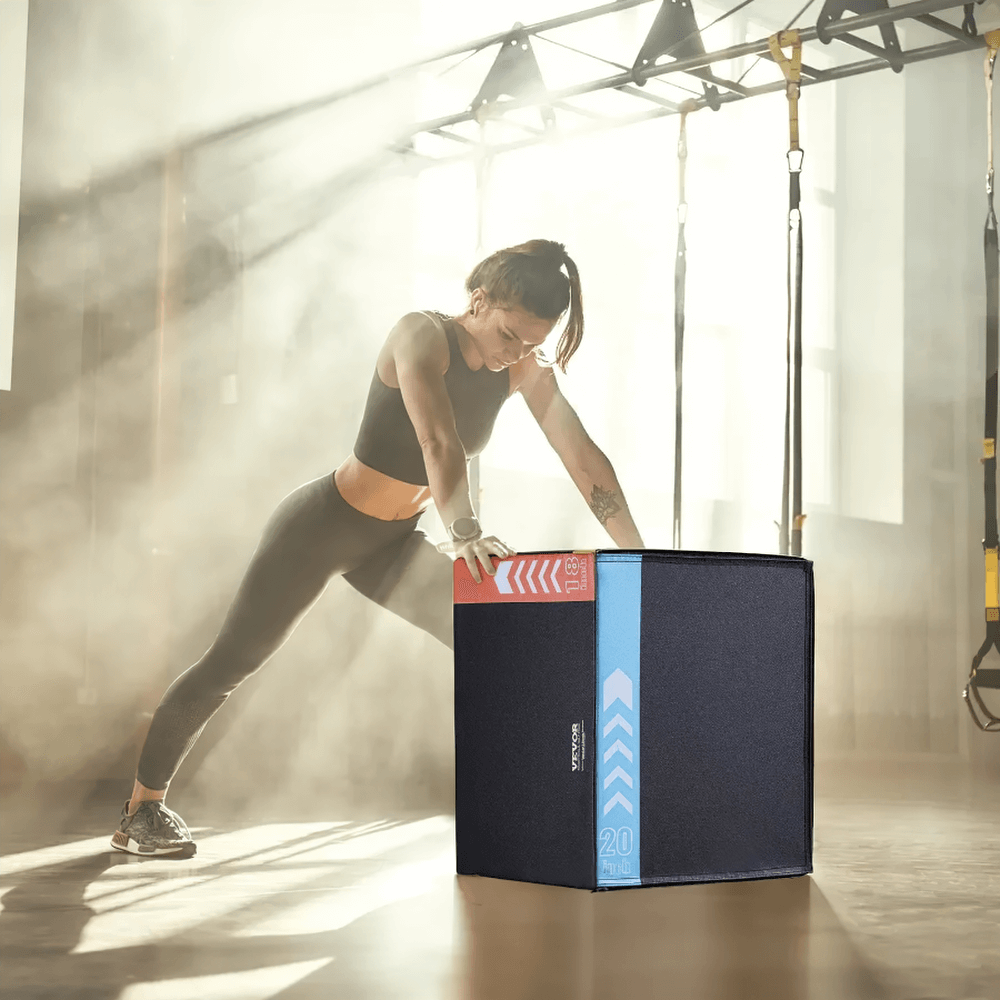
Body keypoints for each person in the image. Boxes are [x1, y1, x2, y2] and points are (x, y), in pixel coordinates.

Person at [111, 238, 645, 857]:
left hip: (390, 544)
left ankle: (539, 806)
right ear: (479, 301)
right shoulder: (420, 334)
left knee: (497, 638)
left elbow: (581, 457)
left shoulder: (521, 366)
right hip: (320, 526)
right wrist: (465, 533)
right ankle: (141, 811)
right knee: (230, 663)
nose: (516, 353)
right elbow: (437, 441)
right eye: (509, 335)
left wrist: (643, 557)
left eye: (532, 344)